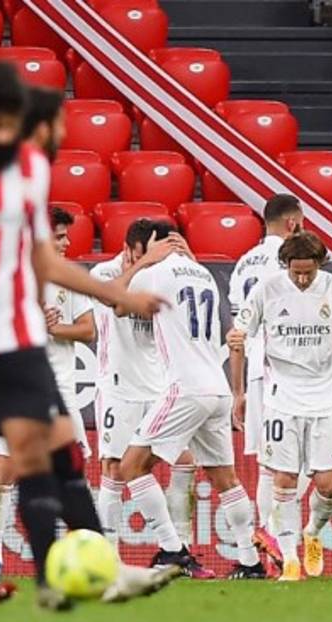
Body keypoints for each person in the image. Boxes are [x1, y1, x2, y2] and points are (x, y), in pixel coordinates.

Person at [0, 61, 171, 611]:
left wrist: (117, 296)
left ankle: (80, 573)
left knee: (56, 448)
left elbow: (41, 255)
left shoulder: (24, 170)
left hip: (13, 339)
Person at [118, 222, 267, 580]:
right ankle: (250, 562)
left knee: (131, 466)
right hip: (216, 388)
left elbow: (117, 303)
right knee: (225, 479)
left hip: (184, 387)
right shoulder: (202, 273)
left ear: (156, 243)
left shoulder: (157, 272)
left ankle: (172, 550)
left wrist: (141, 264)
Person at [227, 231, 332, 581]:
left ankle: (311, 532)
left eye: (307, 272)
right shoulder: (267, 289)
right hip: (281, 396)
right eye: (295, 271)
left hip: (325, 398)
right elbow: (240, 331)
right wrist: (235, 337)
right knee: (284, 478)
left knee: (328, 483)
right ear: (286, 265)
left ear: (319, 264)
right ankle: (290, 559)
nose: (301, 278)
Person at [0, 206, 95, 578]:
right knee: (4, 473)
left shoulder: (70, 277)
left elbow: (88, 331)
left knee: (73, 477)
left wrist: (55, 328)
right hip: (16, 386)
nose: (67, 243)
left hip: (61, 390)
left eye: (67, 236)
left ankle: (78, 556)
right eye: (59, 236)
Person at [90, 221, 204, 572]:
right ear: (129, 250)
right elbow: (115, 300)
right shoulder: (104, 272)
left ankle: (176, 546)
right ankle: (107, 557)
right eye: (145, 256)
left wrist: (189, 260)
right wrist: (143, 263)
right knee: (113, 469)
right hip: (119, 387)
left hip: (158, 386)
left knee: (184, 461)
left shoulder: (162, 274)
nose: (153, 263)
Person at [227, 193, 306, 554]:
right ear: (293, 223)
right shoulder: (291, 259)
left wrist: (238, 389)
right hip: (286, 368)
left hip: (255, 370)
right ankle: (273, 529)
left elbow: (237, 335)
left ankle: (270, 542)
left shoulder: (243, 263)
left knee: (266, 465)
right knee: (304, 461)